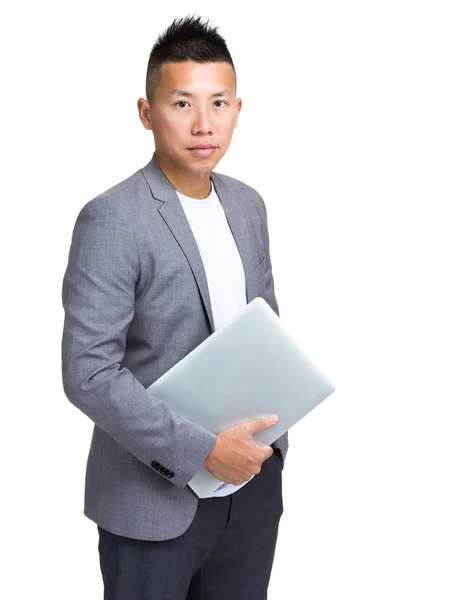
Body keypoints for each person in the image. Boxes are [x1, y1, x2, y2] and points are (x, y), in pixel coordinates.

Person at [61, 13, 288, 600]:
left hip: (252, 491)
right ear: (146, 112)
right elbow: (88, 373)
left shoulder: (248, 206)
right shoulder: (113, 218)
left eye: (219, 103)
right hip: (154, 502)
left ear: (239, 109)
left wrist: (270, 444)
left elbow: (264, 333)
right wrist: (203, 451)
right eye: (182, 104)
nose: (203, 123)